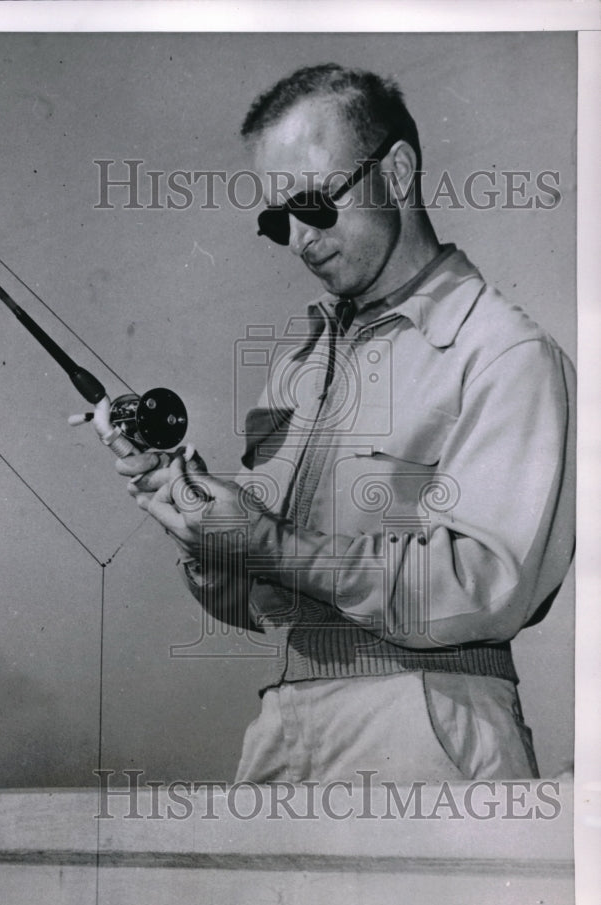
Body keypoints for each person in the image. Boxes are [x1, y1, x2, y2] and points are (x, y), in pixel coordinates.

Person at [112, 65, 575, 783]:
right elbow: (257, 600)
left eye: (313, 204)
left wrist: (268, 540)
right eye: (276, 221)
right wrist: (201, 531)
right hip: (283, 723)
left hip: (427, 722)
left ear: (396, 169)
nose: (298, 239)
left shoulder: (504, 352)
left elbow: (485, 589)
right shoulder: (300, 367)